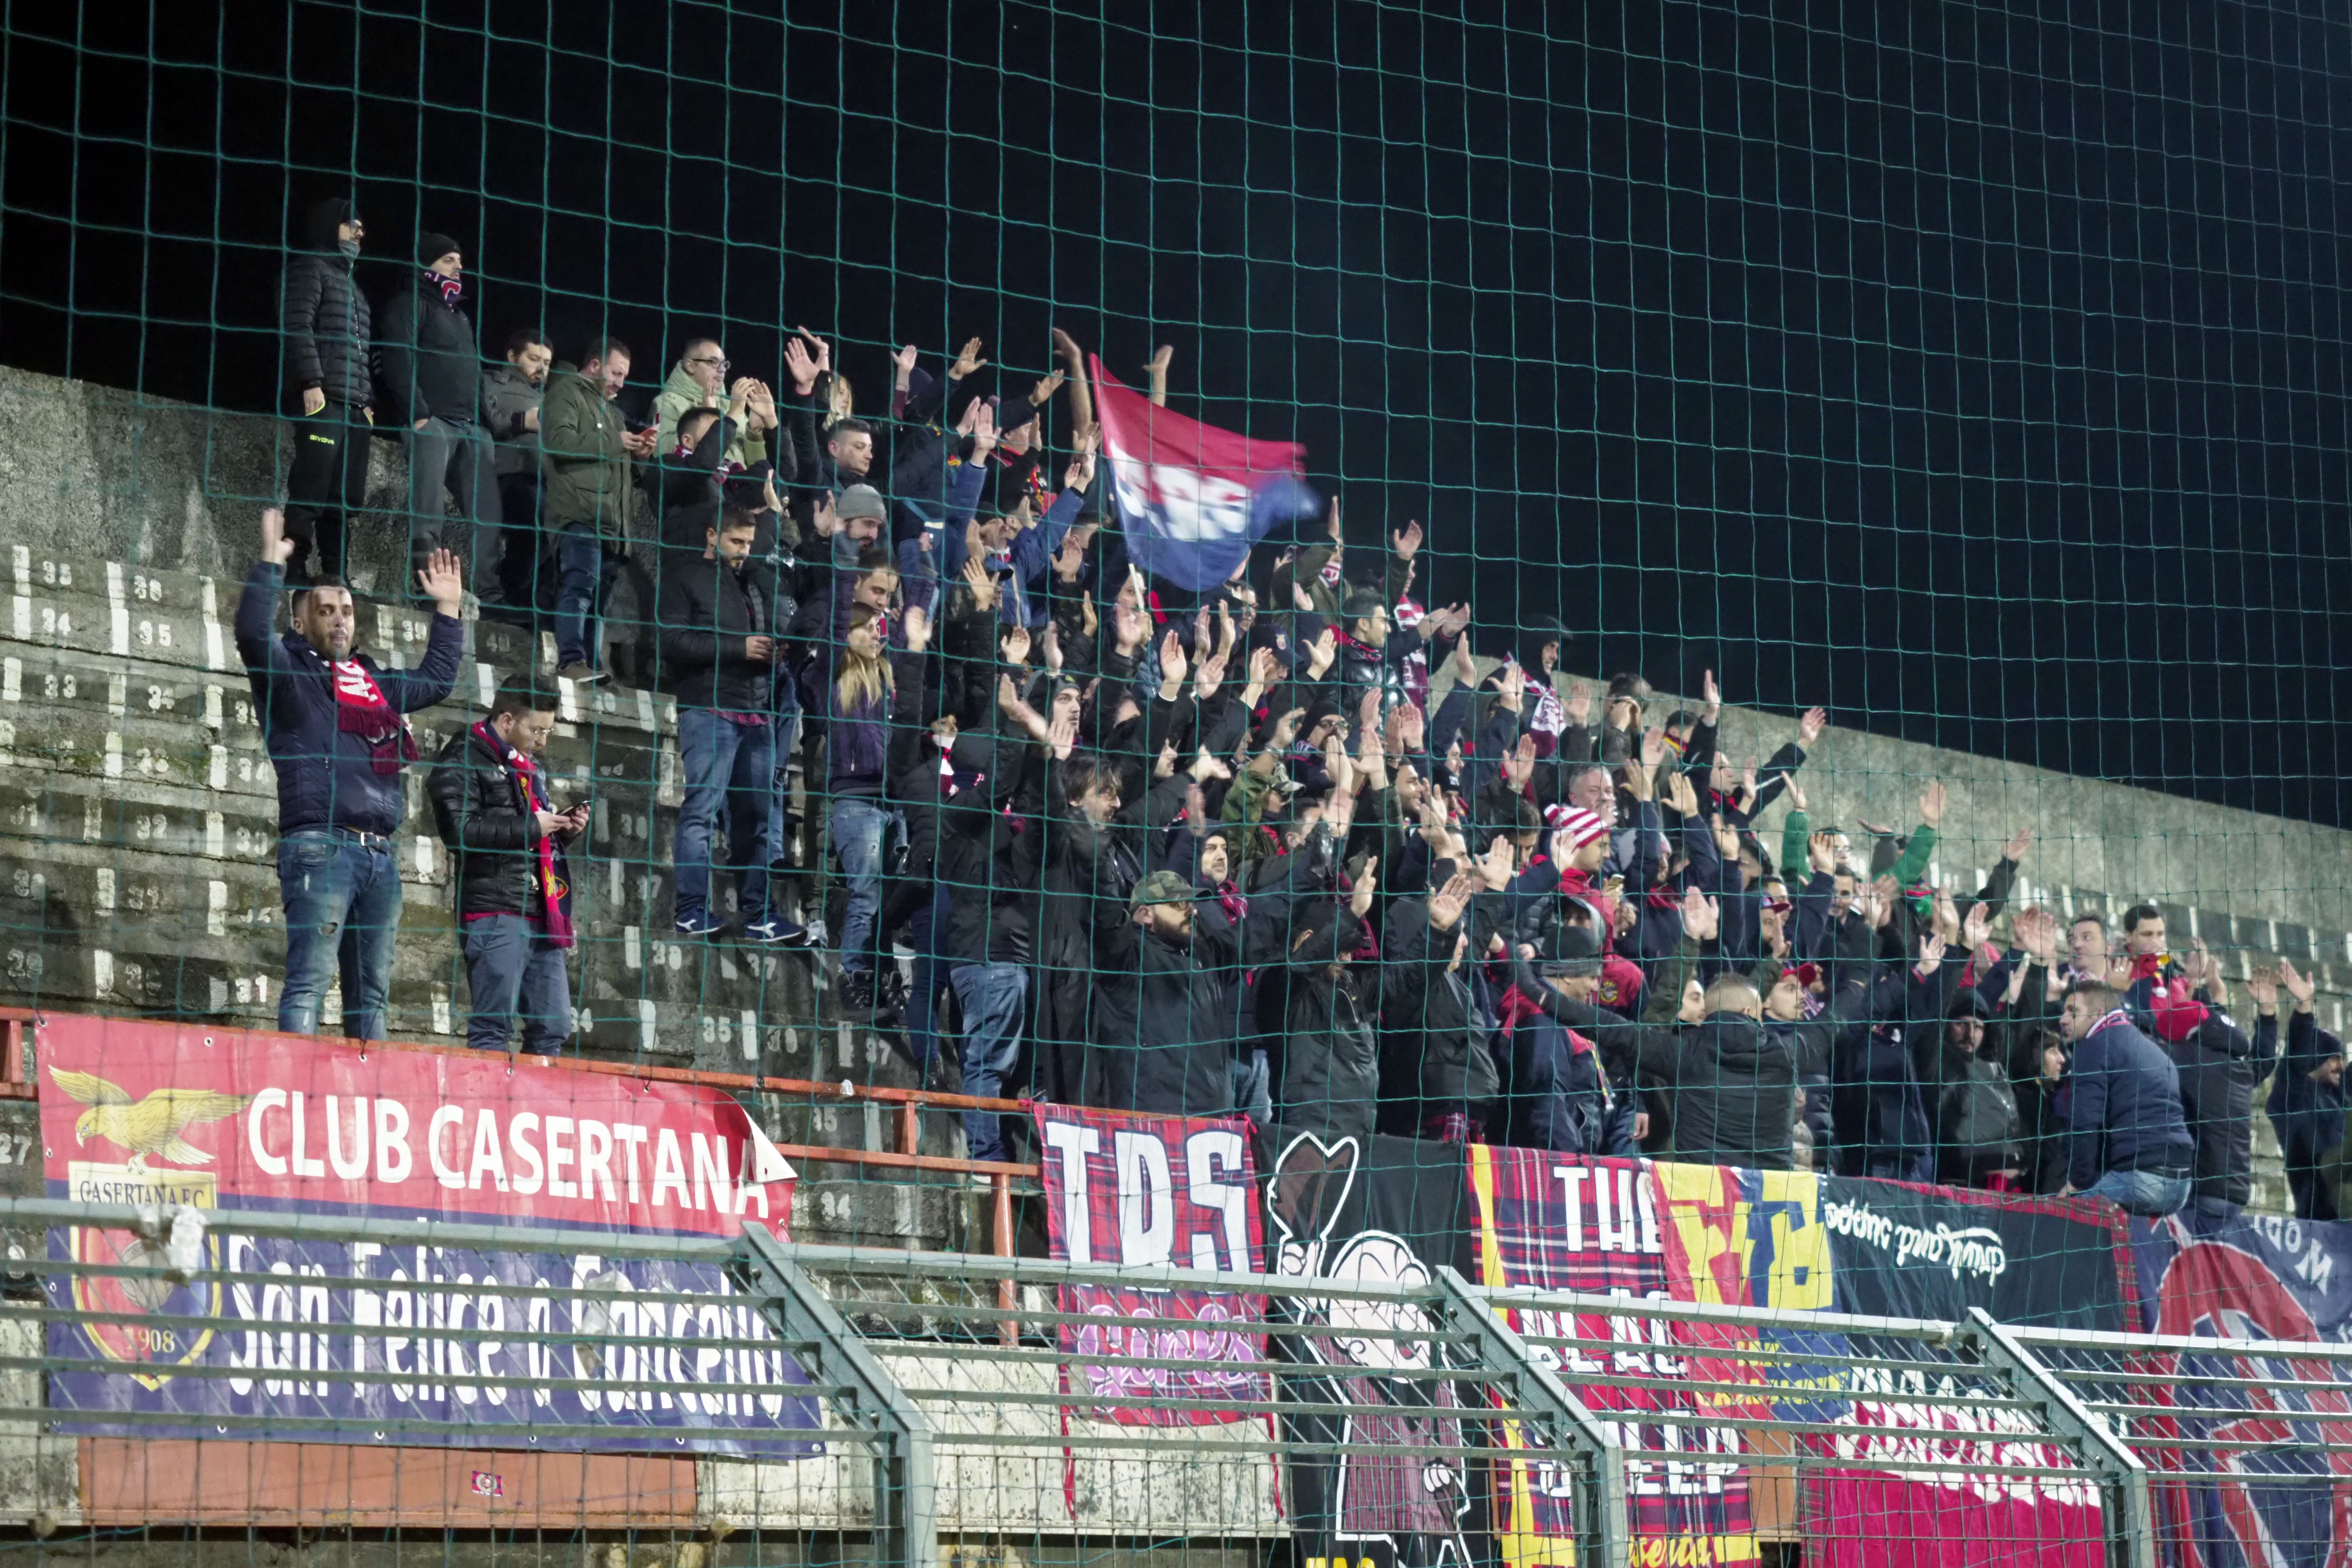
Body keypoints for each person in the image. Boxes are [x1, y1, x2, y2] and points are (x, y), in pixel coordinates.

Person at [237, 507, 464, 1040]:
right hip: (320, 848)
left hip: (379, 856)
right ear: (300, 624)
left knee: (373, 1000)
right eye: (326, 611)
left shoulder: (372, 682)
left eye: (347, 611)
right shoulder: (287, 676)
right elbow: (251, 635)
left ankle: (364, 1087)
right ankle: (296, 1083)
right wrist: (270, 564)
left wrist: (449, 608)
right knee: (309, 984)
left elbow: (436, 680)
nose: (340, 620)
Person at [657, 506, 803, 944]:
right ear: (711, 535)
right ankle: (690, 911)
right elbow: (672, 640)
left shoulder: (754, 582)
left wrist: (774, 652)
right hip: (708, 709)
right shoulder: (683, 577)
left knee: (756, 818)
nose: (744, 551)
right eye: (736, 542)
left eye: (749, 544)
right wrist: (740, 648)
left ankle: (759, 916)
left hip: (757, 713)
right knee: (702, 811)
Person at [426, 680, 588, 1054]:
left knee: (554, 1026)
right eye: (537, 731)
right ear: (506, 720)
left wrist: (563, 830)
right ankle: (486, 1094)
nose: (543, 742)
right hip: (495, 911)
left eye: (548, 732)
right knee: (493, 1026)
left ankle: (534, 1093)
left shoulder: (527, 765)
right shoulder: (463, 757)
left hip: (543, 912)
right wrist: (533, 827)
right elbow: (460, 833)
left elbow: (528, 838)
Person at [373, 233, 502, 590]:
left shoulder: (459, 316)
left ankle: (490, 592)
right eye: (449, 260)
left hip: (471, 427)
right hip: (434, 424)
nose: (458, 267)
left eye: (459, 261)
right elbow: (397, 357)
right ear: (426, 264)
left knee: (488, 516)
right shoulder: (409, 302)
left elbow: (473, 371)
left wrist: (484, 423)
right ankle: (424, 584)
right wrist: (419, 414)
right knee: (428, 513)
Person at [541, 338, 657, 682]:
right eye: (616, 373)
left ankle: (591, 666)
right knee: (579, 587)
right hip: (579, 515)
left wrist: (640, 457)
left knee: (599, 602)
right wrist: (615, 442)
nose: (621, 383)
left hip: (613, 526)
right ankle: (570, 661)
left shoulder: (614, 413)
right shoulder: (565, 392)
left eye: (624, 376)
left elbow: (622, 475)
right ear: (594, 366)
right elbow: (558, 443)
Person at [278, 196, 374, 582]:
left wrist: (368, 403)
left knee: (345, 499)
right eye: (352, 224)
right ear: (329, 226)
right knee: (311, 489)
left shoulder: (355, 288)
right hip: (324, 400)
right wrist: (311, 382)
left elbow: (362, 352)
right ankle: (294, 566)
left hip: (355, 408)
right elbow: (296, 326)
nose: (360, 232)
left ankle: (336, 574)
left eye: (362, 226)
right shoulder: (309, 269)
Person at [2055, 979, 2195, 1216]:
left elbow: (2085, 1122)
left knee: (2064, 1220)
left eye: (2073, 1011)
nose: (2063, 1019)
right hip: (2182, 1183)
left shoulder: (2094, 1048)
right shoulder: (2153, 1049)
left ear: (2098, 1013)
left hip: (2142, 1178)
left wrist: (2077, 1182)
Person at [2257, 958, 2345, 1220]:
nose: (2341, 1066)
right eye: (2334, 1058)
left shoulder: (2339, 1095)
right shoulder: (2291, 1099)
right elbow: (2295, 1061)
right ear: (2315, 1057)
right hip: (2319, 1221)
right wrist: (2305, 1007)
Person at [479, 325, 554, 615]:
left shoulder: (549, 397)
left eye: (547, 363)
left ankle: (525, 599)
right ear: (513, 357)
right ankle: (511, 591)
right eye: (534, 359)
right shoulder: (491, 381)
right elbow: (489, 419)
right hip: (509, 475)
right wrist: (524, 421)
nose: (541, 368)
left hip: (545, 478)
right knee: (537, 521)